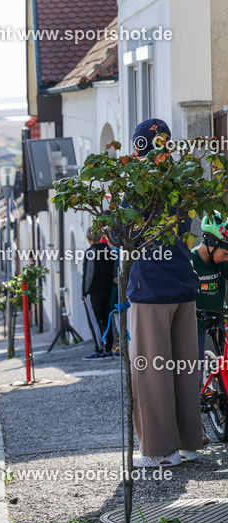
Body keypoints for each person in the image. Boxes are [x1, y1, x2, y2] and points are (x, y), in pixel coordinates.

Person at [122, 118, 203, 467]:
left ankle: (158, 451)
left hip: (150, 287)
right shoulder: (183, 181)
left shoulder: (139, 187)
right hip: (183, 283)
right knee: (185, 368)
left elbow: (123, 235)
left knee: (152, 371)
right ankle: (189, 444)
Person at [193, 214, 228, 364]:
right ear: (212, 243)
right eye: (226, 253)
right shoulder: (191, 259)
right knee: (196, 369)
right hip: (197, 320)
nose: (227, 258)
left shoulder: (222, 261)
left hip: (221, 313)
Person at [82, 231, 118, 359]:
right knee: (106, 319)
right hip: (107, 289)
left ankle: (99, 348)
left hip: (94, 292)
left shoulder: (91, 252)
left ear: (88, 238)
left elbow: (89, 274)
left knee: (95, 321)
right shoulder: (109, 251)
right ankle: (108, 348)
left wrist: (85, 292)